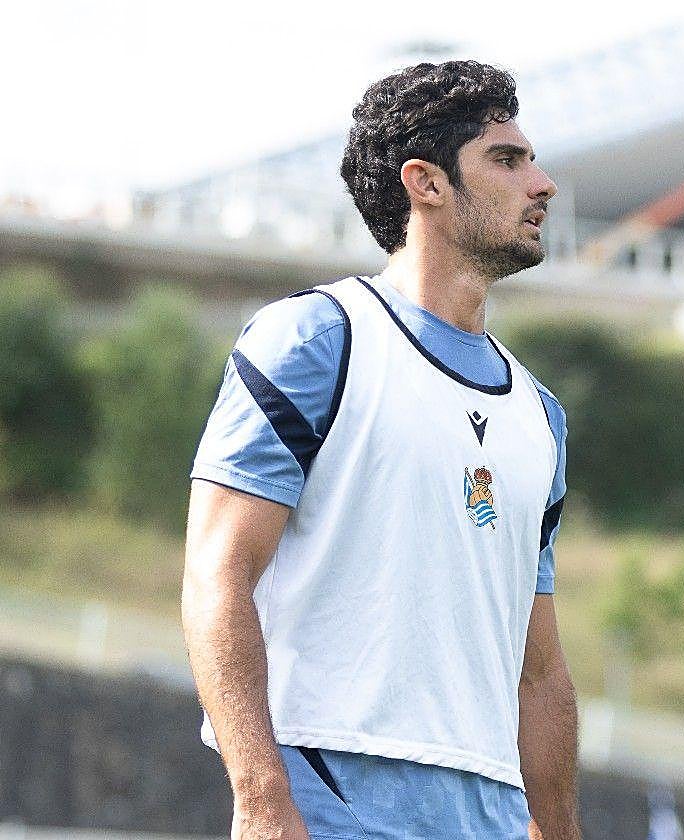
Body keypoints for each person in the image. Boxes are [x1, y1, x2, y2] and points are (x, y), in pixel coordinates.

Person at [181, 60, 580, 839]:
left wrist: (558, 829)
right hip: (327, 796)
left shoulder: (542, 416)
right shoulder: (315, 339)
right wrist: (262, 801)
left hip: (489, 813)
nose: (543, 183)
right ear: (425, 183)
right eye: (508, 159)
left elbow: (540, 671)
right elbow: (217, 572)